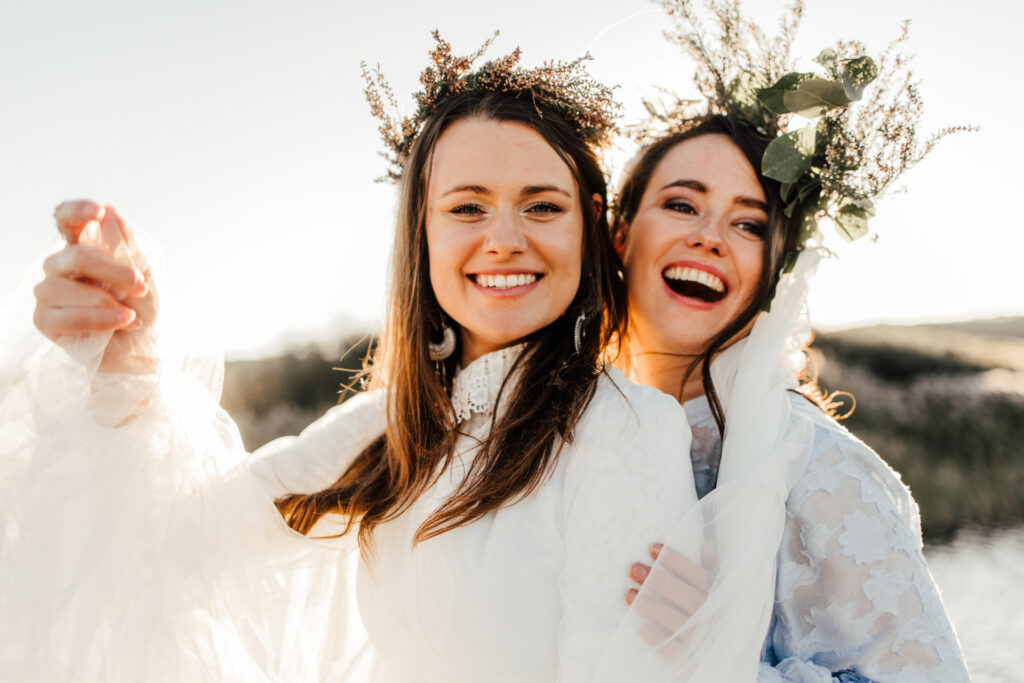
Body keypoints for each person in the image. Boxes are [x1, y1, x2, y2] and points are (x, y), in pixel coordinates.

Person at [2, 36, 700, 681]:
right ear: (419, 232)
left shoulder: (628, 430)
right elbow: (184, 542)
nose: (505, 239)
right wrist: (127, 364)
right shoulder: (388, 428)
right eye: (467, 208)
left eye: (543, 206)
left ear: (590, 219)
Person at [605, 3, 972, 679]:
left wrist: (724, 656)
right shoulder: (570, 434)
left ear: (771, 275)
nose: (709, 235)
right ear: (622, 233)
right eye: (682, 204)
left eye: (748, 225)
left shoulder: (821, 476)